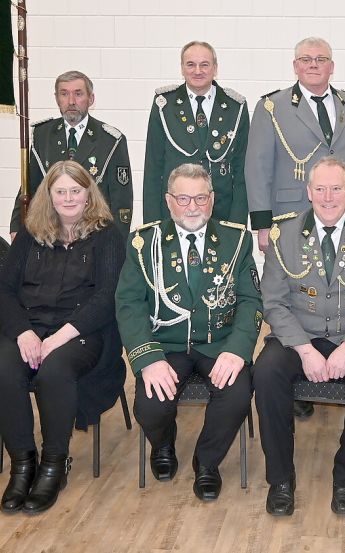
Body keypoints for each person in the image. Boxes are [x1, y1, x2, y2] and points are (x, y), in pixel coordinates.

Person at [253, 157, 345, 517]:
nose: (328, 197)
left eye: (336, 188)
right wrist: (303, 349)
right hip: (301, 334)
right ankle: (281, 480)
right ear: (308, 192)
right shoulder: (283, 235)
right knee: (266, 372)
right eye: (320, 189)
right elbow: (273, 302)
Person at [117, 163, 260, 502]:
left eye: (200, 198)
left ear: (212, 200)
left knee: (238, 393)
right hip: (165, 346)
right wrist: (148, 358)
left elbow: (252, 300)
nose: (192, 207)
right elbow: (128, 303)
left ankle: (207, 462)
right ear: (168, 201)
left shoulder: (236, 240)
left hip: (219, 343)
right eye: (183, 198)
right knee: (151, 405)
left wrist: (238, 349)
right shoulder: (143, 243)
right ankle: (163, 444)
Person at [0, 160, 125, 514]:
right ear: (47, 195)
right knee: (3, 373)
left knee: (54, 373)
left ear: (88, 193)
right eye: (60, 191)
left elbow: (107, 297)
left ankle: (54, 463)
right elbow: (3, 291)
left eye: (75, 191)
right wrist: (23, 333)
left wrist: (58, 338)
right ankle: (23, 463)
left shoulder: (107, 234)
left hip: (81, 331)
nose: (68, 198)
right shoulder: (30, 231)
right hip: (27, 327)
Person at [246, 37, 345, 253]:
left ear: (332, 66)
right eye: (306, 59)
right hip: (292, 215)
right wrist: (262, 224)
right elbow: (257, 169)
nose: (313, 64)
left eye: (321, 59)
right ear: (295, 66)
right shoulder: (271, 107)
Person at [10, 70, 133, 238]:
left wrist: (116, 242)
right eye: (64, 94)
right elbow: (29, 185)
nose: (71, 101)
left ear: (91, 99)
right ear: (57, 98)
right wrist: (16, 226)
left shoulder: (111, 140)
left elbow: (121, 202)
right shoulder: (42, 135)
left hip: (93, 234)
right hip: (51, 233)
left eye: (78, 94)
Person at [142, 41, 250, 225]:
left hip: (221, 213)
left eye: (204, 65)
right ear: (182, 68)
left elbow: (242, 171)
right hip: (174, 215)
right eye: (191, 64)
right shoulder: (164, 105)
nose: (197, 71)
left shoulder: (235, 107)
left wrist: (237, 224)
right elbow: (153, 168)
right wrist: (152, 224)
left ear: (215, 68)